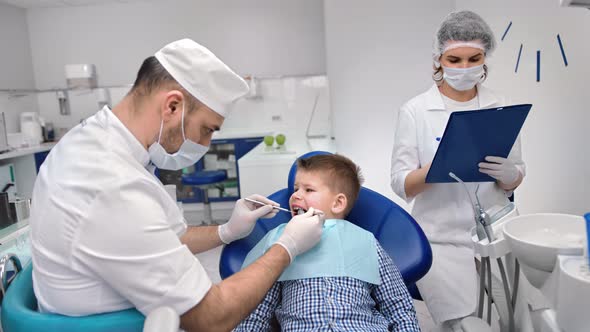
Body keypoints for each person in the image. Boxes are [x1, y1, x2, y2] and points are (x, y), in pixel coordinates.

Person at [29, 38, 325, 332]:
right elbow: (212, 317)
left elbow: (156, 243)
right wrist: (287, 246)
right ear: (172, 106)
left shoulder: (96, 141)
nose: (206, 144)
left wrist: (226, 231)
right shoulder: (109, 184)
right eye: (207, 129)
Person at [391, 11, 526, 331]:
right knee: (467, 325)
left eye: (474, 58)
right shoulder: (416, 111)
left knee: (518, 318)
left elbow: (517, 174)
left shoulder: (500, 105)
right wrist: (438, 166)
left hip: (497, 230)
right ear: (438, 59)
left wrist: (510, 176)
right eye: (455, 59)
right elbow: (400, 184)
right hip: (441, 239)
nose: (465, 68)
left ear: (485, 57)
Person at [235, 154, 420, 332]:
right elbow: (256, 310)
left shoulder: (366, 242)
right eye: (295, 189)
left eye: (308, 190)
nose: (295, 196)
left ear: (338, 203)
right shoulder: (281, 241)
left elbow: (398, 305)